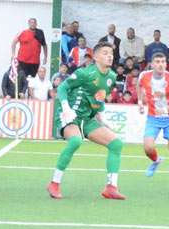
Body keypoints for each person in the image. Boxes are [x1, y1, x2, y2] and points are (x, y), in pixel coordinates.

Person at [47, 42, 125, 201]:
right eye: (105, 53)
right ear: (95, 57)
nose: (109, 56)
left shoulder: (111, 77)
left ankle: (111, 188)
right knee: (75, 141)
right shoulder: (84, 73)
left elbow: (99, 97)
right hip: (70, 115)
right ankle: (54, 183)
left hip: (87, 118)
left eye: (111, 53)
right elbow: (62, 88)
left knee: (116, 144)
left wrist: (100, 117)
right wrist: (65, 107)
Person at [138, 52, 169, 183]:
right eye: (158, 62)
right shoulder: (144, 76)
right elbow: (139, 86)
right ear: (152, 64)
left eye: (163, 62)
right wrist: (140, 101)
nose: (161, 64)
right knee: (148, 148)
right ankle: (156, 160)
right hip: (153, 118)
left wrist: (166, 109)